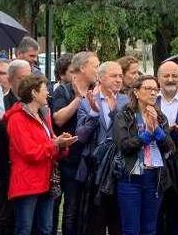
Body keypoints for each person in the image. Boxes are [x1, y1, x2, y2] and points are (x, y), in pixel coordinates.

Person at [5, 74, 77, 235]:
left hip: (46, 181)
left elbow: (48, 147)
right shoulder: (16, 119)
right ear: (33, 93)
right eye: (45, 90)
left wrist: (62, 144)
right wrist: (55, 143)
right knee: (25, 229)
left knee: (46, 228)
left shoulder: (43, 115)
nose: (48, 94)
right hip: (27, 183)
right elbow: (30, 152)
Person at [114, 75, 176, 235]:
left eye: (155, 89)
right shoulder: (125, 115)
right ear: (136, 92)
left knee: (150, 228)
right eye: (148, 89)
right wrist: (147, 135)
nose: (153, 93)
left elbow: (170, 147)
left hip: (154, 178)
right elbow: (124, 146)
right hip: (130, 179)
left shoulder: (160, 116)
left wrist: (157, 130)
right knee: (131, 229)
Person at [78, 60, 126, 235]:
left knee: (118, 223)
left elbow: (129, 133)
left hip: (120, 171)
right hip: (94, 172)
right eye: (114, 76)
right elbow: (81, 136)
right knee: (95, 223)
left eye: (120, 76)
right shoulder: (86, 102)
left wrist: (115, 113)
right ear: (100, 78)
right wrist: (94, 113)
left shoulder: (127, 102)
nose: (119, 80)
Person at [49, 53, 86, 235]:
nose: (75, 76)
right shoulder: (61, 91)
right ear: (62, 75)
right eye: (72, 72)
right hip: (63, 158)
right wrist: (78, 99)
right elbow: (59, 119)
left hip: (81, 158)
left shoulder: (92, 89)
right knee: (56, 206)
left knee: (74, 208)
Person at [0, 59, 25, 235]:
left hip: (6, 163)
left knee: (7, 212)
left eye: (1, 73)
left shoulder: (15, 101)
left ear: (10, 78)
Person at [155, 61, 178, 235]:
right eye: (166, 76)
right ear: (158, 79)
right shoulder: (150, 101)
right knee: (156, 214)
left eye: (174, 76)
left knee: (177, 213)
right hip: (154, 164)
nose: (170, 79)